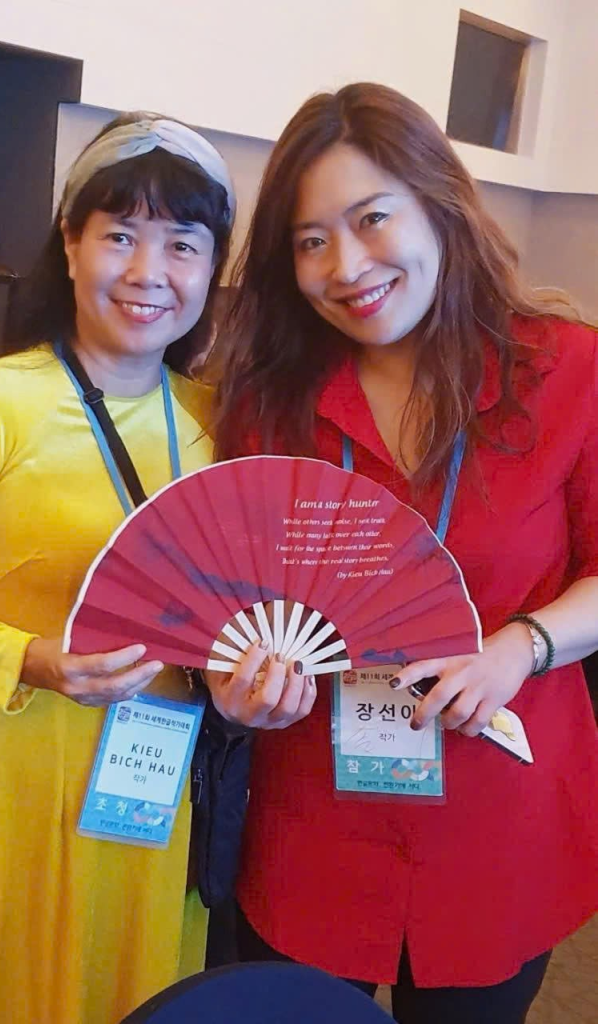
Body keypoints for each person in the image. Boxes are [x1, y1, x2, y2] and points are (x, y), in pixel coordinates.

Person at [0, 113, 300, 1024]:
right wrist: (28, 658)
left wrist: (243, 691)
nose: (149, 271)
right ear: (69, 244)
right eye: (120, 236)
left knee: (142, 987)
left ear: (210, 269)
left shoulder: (222, 422)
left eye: (182, 245)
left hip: (163, 777)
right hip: (15, 765)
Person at [211, 82, 598, 1024]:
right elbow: (232, 597)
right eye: (310, 241)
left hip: (497, 815)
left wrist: (520, 648)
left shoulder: (566, 369)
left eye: (372, 218)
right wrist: (238, 682)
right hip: (313, 818)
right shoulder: (266, 402)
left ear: (439, 202)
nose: (346, 266)